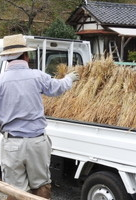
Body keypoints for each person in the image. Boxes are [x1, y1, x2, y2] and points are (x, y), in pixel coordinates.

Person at [0, 34, 79, 200]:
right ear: (26, 56)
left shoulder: (1, 80)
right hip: (37, 142)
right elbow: (57, 88)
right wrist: (69, 78)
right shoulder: (37, 76)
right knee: (41, 185)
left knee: (14, 190)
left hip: (12, 143)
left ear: (7, 58)